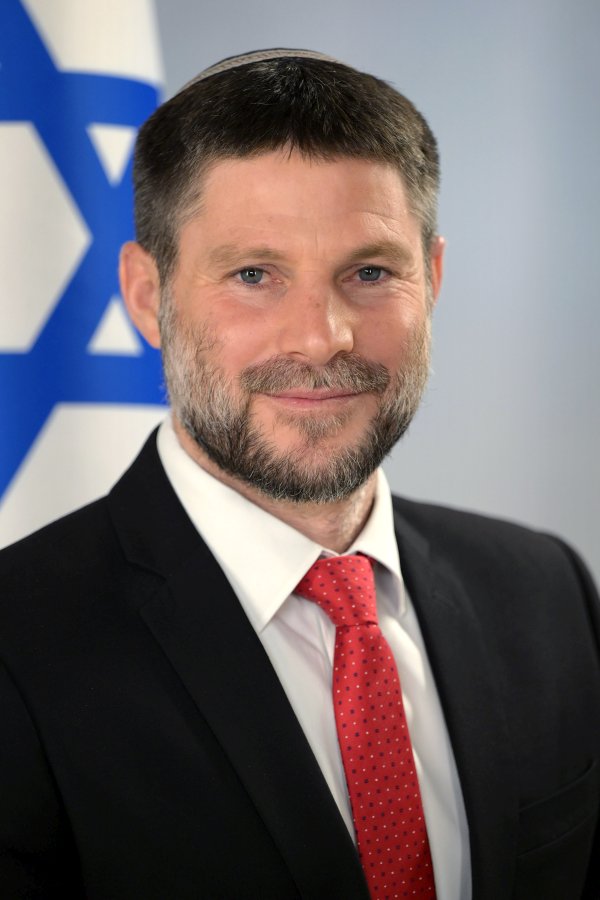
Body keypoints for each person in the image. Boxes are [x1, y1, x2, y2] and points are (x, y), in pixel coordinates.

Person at [0, 48, 598, 900]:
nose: (321, 338)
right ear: (146, 296)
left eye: (370, 273)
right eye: (254, 275)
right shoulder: (19, 646)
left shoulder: (548, 594)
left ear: (431, 280)